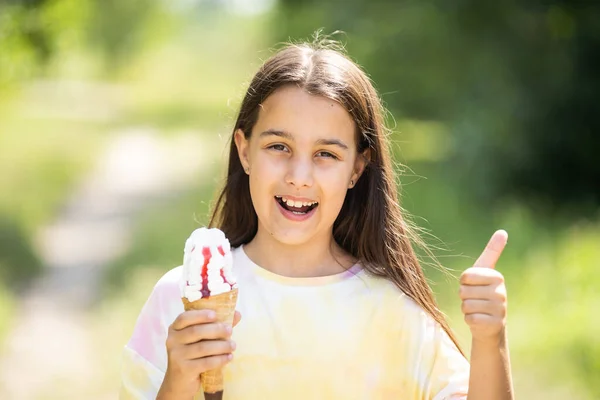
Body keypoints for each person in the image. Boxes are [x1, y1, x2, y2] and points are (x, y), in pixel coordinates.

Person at [120, 39, 514, 400]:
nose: (300, 175)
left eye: (326, 154)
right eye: (278, 146)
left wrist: (489, 339)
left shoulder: (394, 312)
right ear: (244, 151)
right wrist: (178, 382)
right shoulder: (179, 302)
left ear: (357, 169)